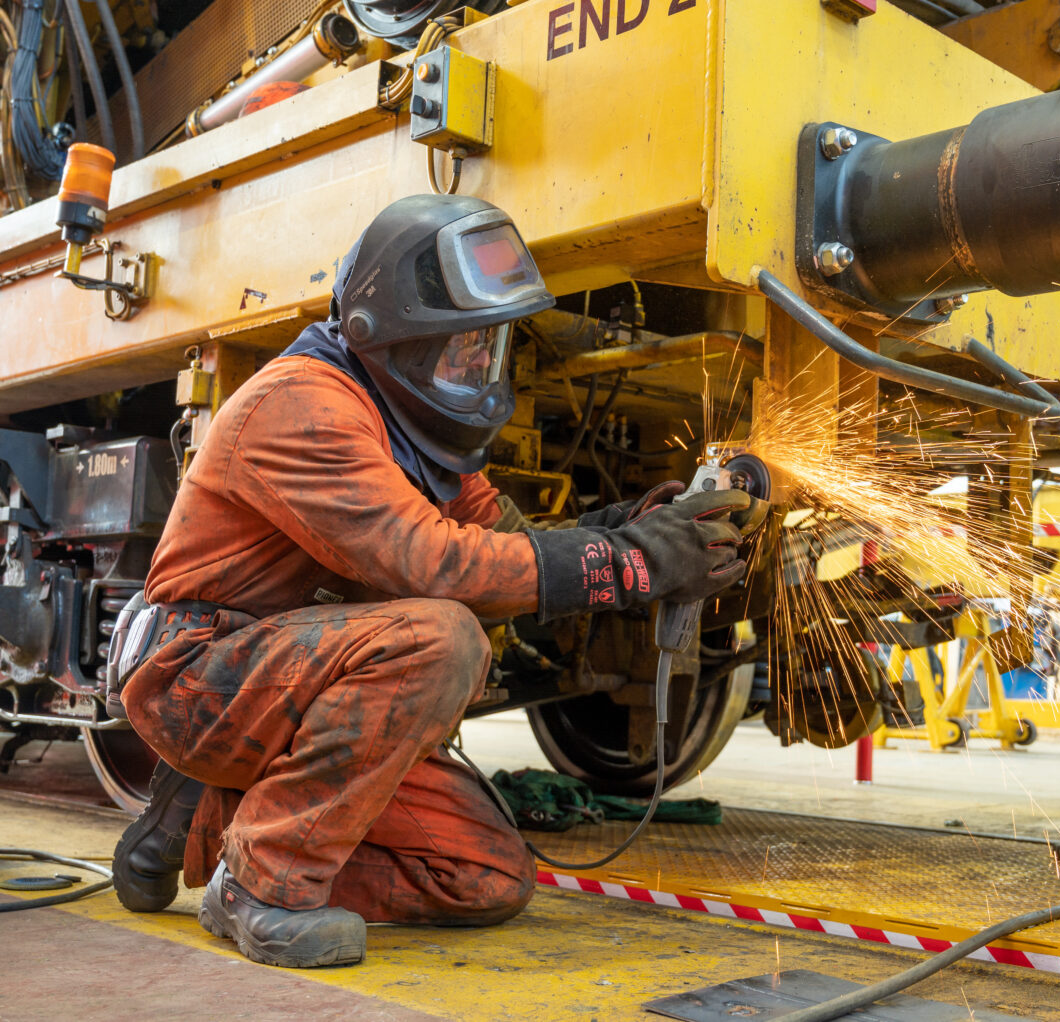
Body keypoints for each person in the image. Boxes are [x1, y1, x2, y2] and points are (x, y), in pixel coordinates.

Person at [107, 194, 755, 968]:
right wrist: (629, 563)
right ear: (389, 342)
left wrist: (638, 526)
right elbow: (433, 561)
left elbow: (509, 550)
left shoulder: (417, 434)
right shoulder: (302, 407)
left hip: (290, 683)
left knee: (485, 878)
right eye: (460, 350)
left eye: (489, 347)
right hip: (197, 674)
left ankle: (219, 821)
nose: (478, 367)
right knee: (442, 637)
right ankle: (262, 886)